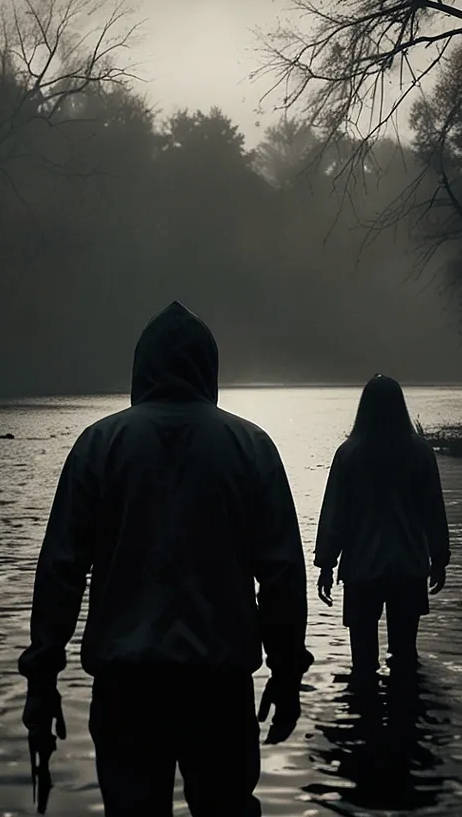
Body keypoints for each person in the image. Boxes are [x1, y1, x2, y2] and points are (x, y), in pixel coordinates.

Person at [18, 301, 314, 817]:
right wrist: (287, 674)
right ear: (209, 367)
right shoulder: (251, 447)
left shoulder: (99, 446)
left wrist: (43, 681)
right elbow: (282, 574)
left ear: (141, 368)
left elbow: (61, 571)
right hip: (218, 692)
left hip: (127, 692)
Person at [313, 374, 450, 676]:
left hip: (362, 568)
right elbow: (433, 512)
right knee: (404, 656)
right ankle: (408, 715)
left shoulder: (349, 454)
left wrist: (325, 564)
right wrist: (439, 559)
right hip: (409, 566)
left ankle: (363, 716)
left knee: (362, 661)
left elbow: (335, 514)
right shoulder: (420, 453)